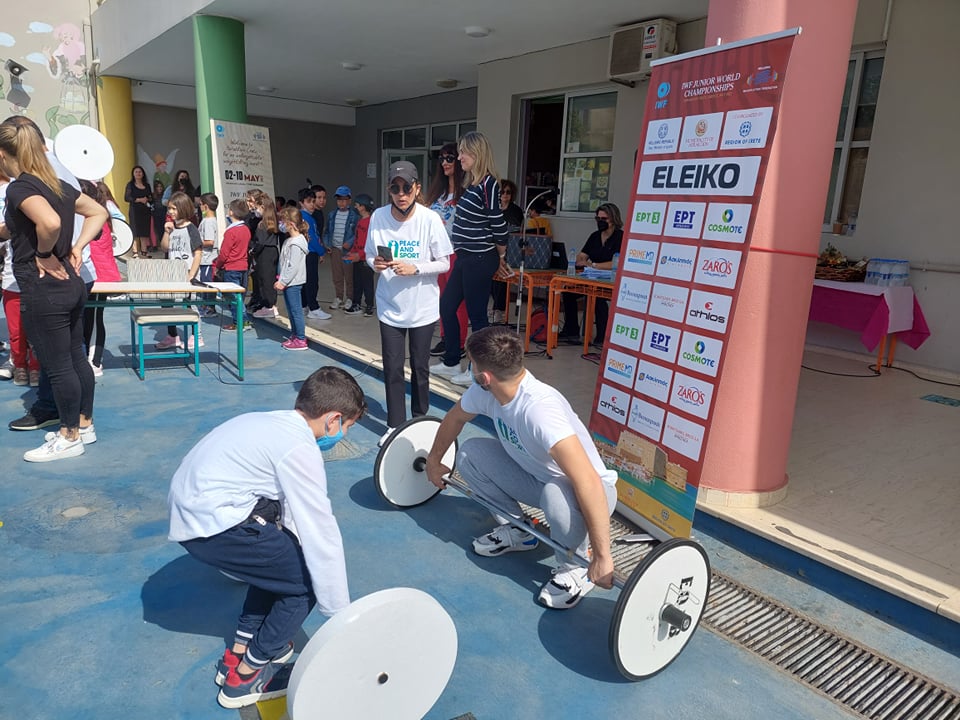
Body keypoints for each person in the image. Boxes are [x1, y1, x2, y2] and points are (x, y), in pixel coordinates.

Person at [167, 366, 366, 709]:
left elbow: (290, 519)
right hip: (214, 524)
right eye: (347, 427)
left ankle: (239, 650)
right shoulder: (299, 449)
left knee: (278, 557)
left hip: (194, 514)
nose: (343, 434)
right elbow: (320, 529)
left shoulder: (271, 422)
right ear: (333, 419)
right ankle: (247, 675)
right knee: (305, 583)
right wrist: (338, 614)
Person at [425, 326, 617, 608]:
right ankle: (520, 531)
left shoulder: (539, 411)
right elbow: (454, 419)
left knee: (555, 493)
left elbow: (587, 480)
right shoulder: (487, 393)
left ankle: (576, 564)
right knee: (469, 454)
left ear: (484, 377)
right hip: (536, 479)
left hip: (589, 492)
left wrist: (603, 556)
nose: (470, 370)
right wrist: (433, 460)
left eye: (472, 365)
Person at [0, 118, 108, 461]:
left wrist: (45, 253)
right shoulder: (56, 184)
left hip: (44, 286)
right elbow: (99, 212)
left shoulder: (20, 187)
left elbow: (49, 222)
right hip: (71, 284)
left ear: (4, 155)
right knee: (76, 359)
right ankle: (84, 425)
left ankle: (68, 435)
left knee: (60, 365)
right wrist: (76, 247)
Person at [367, 160, 453, 446]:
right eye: (395, 188)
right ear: (389, 190)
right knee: (392, 368)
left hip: (423, 309)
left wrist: (415, 268)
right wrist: (376, 263)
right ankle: (394, 424)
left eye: (406, 188)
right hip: (390, 306)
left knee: (420, 367)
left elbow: (443, 263)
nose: (401, 194)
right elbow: (369, 255)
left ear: (417, 188)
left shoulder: (430, 219)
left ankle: (419, 419)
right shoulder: (378, 216)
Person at [432, 132, 510, 386]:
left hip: (479, 257)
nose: (460, 158)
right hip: (465, 256)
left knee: (478, 317)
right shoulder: (474, 185)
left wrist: (500, 254)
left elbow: (497, 222)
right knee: (446, 306)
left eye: (464, 153)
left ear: (477, 155)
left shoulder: (489, 184)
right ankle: (451, 360)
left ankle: (478, 370)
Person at [424, 142, 468, 360]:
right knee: (441, 299)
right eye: (441, 158)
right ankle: (446, 337)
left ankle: (459, 341)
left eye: (449, 158)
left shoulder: (466, 192)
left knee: (456, 301)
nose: (445, 163)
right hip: (437, 252)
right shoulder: (437, 193)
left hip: (457, 251)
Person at [560, 202, 624, 346]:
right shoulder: (595, 236)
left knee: (598, 297)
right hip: (591, 279)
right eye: (598, 219)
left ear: (613, 219)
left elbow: (616, 263)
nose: (600, 222)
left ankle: (602, 337)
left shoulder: (621, 237)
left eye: (604, 219)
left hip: (610, 281)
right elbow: (582, 256)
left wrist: (593, 265)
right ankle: (571, 331)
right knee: (568, 292)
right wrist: (579, 260)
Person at [0, 167, 40, 386]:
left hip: (34, 277)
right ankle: (19, 365)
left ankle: (35, 366)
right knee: (16, 331)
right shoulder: (8, 220)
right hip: (10, 278)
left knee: (34, 329)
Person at [79, 180, 121, 377]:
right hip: (87, 275)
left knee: (94, 318)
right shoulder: (91, 217)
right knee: (85, 318)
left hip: (99, 277)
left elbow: (94, 250)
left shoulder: (97, 220)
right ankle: (87, 356)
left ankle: (95, 360)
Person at [157, 191, 204, 350]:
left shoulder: (191, 228)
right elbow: (164, 247)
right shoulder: (171, 228)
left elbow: (198, 253)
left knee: (191, 304)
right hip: (172, 274)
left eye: (173, 209)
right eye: (169, 208)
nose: (170, 212)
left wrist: (192, 273)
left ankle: (196, 335)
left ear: (183, 209)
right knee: (167, 303)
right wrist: (166, 232)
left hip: (187, 273)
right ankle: (172, 335)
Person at [489, 179, 525, 325]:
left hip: (509, 250)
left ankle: (499, 310)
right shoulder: (492, 208)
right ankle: (494, 308)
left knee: (502, 280)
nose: (505, 195)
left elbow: (517, 231)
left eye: (508, 192)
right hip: (491, 248)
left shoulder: (515, 211)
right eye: (502, 192)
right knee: (491, 280)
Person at [214, 199, 253, 332]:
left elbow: (224, 253)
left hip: (231, 268)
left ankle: (239, 322)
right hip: (243, 266)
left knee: (233, 297)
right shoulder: (246, 229)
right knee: (240, 296)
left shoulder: (231, 232)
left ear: (231, 212)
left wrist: (217, 266)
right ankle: (245, 321)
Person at [273, 207, 309, 350]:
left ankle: (300, 338)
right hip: (288, 282)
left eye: (283, 221)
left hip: (293, 283)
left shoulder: (297, 243)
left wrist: (283, 281)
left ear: (291, 224)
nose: (281, 224)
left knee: (296, 311)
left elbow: (292, 266)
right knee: (291, 310)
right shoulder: (290, 240)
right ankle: (295, 334)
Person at [323, 185, 359, 311]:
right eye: (339, 200)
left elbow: (357, 233)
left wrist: (350, 242)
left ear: (349, 200)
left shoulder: (354, 215)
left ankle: (350, 298)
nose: (342, 203)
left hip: (348, 250)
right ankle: (338, 297)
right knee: (337, 275)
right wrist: (327, 244)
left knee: (349, 275)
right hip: (335, 249)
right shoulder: (332, 214)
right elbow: (327, 231)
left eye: (344, 200)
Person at [297, 188, 329, 320]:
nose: (312, 204)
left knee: (306, 280)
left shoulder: (309, 217)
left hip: (309, 252)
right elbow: (312, 238)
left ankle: (304, 305)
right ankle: (313, 308)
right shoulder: (305, 218)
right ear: (301, 203)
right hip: (309, 252)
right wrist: (322, 251)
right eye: (309, 201)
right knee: (312, 281)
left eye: (313, 201)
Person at [343, 193, 375, 317]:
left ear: (362, 207)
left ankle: (369, 305)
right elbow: (357, 239)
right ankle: (356, 304)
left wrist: (360, 255)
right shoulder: (360, 221)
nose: (355, 207)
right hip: (357, 258)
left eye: (357, 205)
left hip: (366, 259)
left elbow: (371, 243)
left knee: (367, 284)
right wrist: (352, 252)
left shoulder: (371, 223)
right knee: (357, 282)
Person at [250, 197, 282, 319]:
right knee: (269, 278)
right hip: (272, 251)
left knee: (266, 280)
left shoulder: (262, 224)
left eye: (258, 207)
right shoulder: (272, 222)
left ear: (263, 207)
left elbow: (260, 242)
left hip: (265, 253)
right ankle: (270, 304)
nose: (256, 210)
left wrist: (253, 250)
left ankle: (269, 306)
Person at [124, 165, 152, 258]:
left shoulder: (147, 185)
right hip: (134, 211)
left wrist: (147, 199)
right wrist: (139, 199)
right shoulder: (130, 185)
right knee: (135, 231)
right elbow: (127, 198)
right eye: (136, 172)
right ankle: (135, 251)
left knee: (144, 231)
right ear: (133, 174)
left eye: (140, 172)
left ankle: (144, 251)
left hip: (145, 211)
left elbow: (151, 196)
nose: (138, 173)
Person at [197, 193, 219, 285]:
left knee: (206, 285)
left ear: (205, 206)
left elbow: (210, 241)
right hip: (206, 259)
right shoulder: (209, 220)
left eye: (200, 204)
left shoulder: (208, 222)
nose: (200, 207)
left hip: (207, 260)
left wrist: (196, 243)